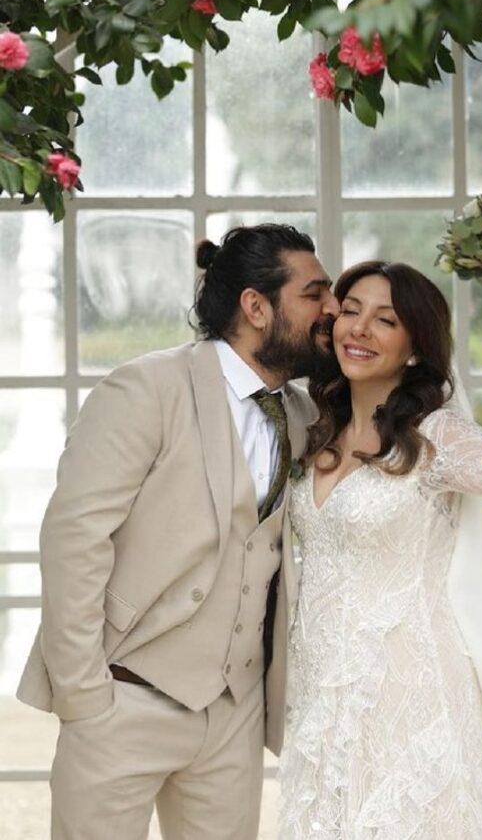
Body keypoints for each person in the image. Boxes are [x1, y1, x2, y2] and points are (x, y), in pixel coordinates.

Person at [16, 223, 339, 840]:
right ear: (256, 307)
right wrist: (86, 699)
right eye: (314, 293)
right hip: (123, 698)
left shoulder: (302, 416)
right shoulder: (147, 389)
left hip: (234, 711)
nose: (331, 308)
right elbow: (73, 542)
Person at [279, 260, 482, 839]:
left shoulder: (433, 436)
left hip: (411, 693)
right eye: (352, 311)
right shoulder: (315, 427)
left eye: (385, 320)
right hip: (324, 695)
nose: (360, 329)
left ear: (414, 349)